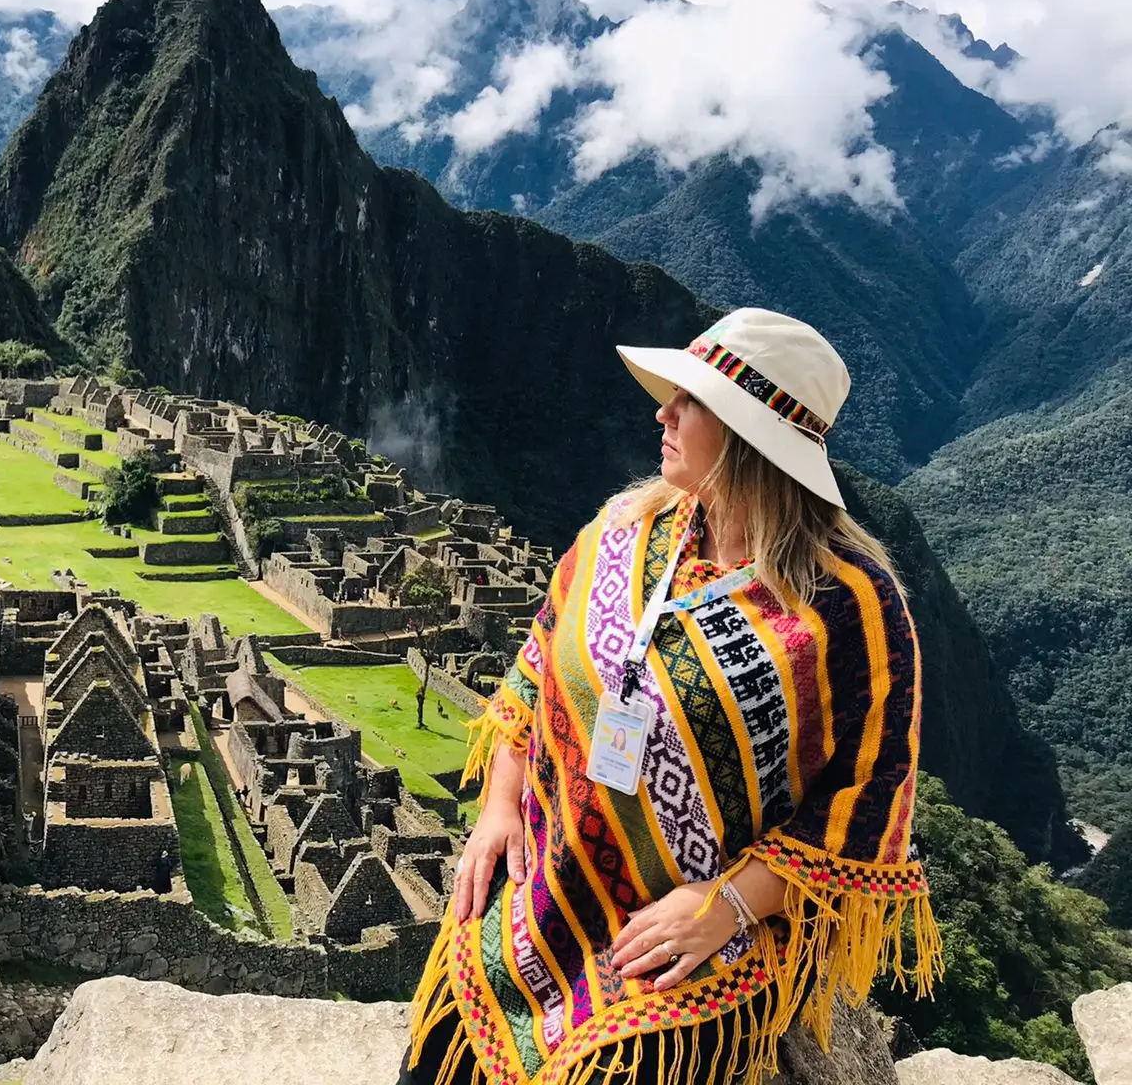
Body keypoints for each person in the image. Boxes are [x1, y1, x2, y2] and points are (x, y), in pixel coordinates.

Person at [401, 309, 941, 1085]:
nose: (664, 414)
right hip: (546, 887)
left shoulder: (850, 606)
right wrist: (498, 805)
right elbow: (536, 668)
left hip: (700, 932)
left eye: (689, 402)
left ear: (747, 436)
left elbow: (869, 795)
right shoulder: (625, 530)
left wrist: (730, 905)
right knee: (439, 1053)